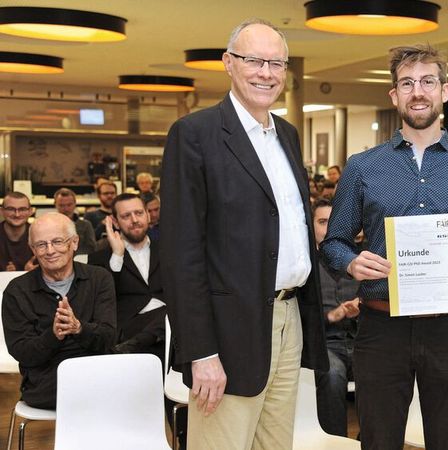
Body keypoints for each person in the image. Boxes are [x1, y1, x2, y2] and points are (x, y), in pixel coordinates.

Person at [321, 44, 448, 449]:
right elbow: (333, 243)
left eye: (427, 81)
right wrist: (352, 263)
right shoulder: (362, 167)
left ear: (445, 91)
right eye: (407, 83)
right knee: (379, 440)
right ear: (394, 96)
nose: (417, 91)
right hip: (380, 327)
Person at [160, 18, 327, 450]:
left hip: (289, 319)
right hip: (228, 332)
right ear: (228, 64)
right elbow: (181, 255)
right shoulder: (194, 135)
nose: (266, 73)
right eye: (254, 60)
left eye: (276, 63)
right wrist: (201, 352)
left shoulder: (287, 134)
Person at [1, 212, 115, 409]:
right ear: (33, 250)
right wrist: (53, 336)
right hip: (47, 380)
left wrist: (79, 328)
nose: (50, 250)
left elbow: (108, 337)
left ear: (74, 243)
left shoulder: (99, 279)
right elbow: (22, 352)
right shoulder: (17, 291)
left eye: (57, 241)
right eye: (41, 245)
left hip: (96, 368)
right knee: (99, 394)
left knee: (128, 382)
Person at [88, 193, 166, 356]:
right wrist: (117, 255)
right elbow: (100, 299)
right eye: (126, 216)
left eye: (139, 213)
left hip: (170, 330)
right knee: (172, 314)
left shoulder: (169, 251)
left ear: (148, 215)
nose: (134, 220)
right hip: (128, 327)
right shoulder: (99, 258)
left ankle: (135, 346)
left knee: (174, 312)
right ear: (115, 222)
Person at [311, 197, 360, 437]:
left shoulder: (360, 262)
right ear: (311, 226)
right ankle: (336, 441)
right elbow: (297, 315)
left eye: (336, 222)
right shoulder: (304, 266)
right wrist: (332, 315)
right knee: (332, 374)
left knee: (385, 369)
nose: (329, 228)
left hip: (361, 341)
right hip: (324, 344)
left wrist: (363, 308)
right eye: (322, 222)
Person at [54, 187, 97, 255]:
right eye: (61, 205)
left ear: (75, 204)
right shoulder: (49, 226)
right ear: (55, 205)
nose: (66, 208)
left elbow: (91, 248)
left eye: (69, 205)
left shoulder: (86, 225)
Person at [0, 192, 36, 272]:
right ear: (1, 211)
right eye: (11, 209)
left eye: (22, 209)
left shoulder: (39, 235)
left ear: (30, 211)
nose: (17, 214)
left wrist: (36, 272)